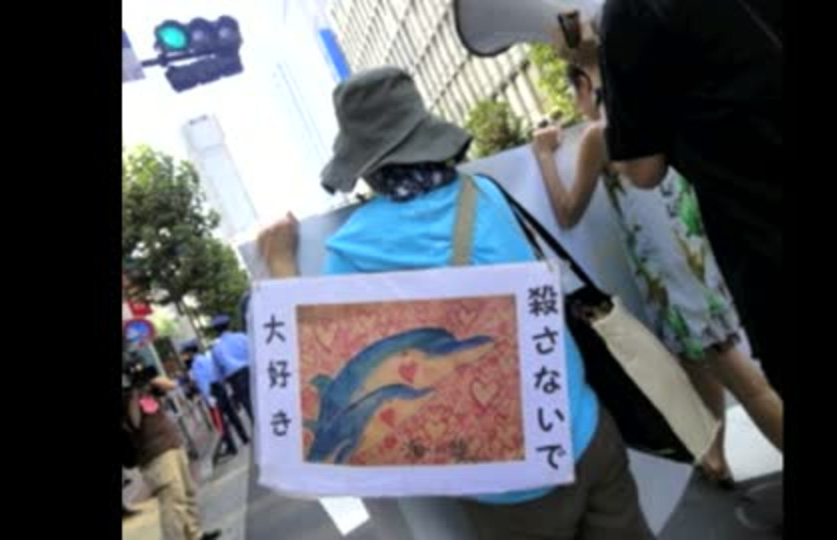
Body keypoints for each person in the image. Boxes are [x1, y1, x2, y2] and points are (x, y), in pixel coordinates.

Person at [257, 65, 653, 540]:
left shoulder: (355, 248)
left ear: (366, 164)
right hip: (588, 432)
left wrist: (280, 261)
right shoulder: (486, 193)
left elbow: (315, 359)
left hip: (511, 487)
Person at [530, 60, 783, 485]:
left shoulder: (600, 135)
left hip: (672, 273)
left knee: (744, 382)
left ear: (587, 85)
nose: (575, 104)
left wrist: (543, 156)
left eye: (575, 92)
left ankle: (716, 455)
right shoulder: (659, 107)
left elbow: (567, 211)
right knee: (696, 361)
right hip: (694, 256)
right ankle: (714, 456)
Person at [554, 0, 784, 397]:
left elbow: (642, 171)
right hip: (703, 251)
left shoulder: (630, 14)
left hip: (752, 243)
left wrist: (595, 64)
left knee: (736, 376)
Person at [121, 354, 220, 540]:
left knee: (188, 493)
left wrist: (148, 379)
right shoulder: (126, 397)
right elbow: (135, 421)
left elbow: (171, 385)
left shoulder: (150, 388)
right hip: (156, 456)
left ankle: (195, 534)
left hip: (173, 445)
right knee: (173, 502)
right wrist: (135, 392)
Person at [182, 341, 249, 463]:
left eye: (186, 353)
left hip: (211, 391)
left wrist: (207, 396)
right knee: (232, 415)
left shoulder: (196, 364)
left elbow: (202, 382)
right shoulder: (207, 358)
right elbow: (218, 373)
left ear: (190, 352)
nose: (185, 356)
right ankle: (244, 437)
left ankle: (231, 447)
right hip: (219, 387)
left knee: (219, 421)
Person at [209, 316, 254, 423]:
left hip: (236, 380)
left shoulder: (216, 349)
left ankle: (260, 428)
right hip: (252, 372)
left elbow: (218, 373)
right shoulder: (242, 337)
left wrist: (223, 384)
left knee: (249, 405)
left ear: (216, 331)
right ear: (229, 325)